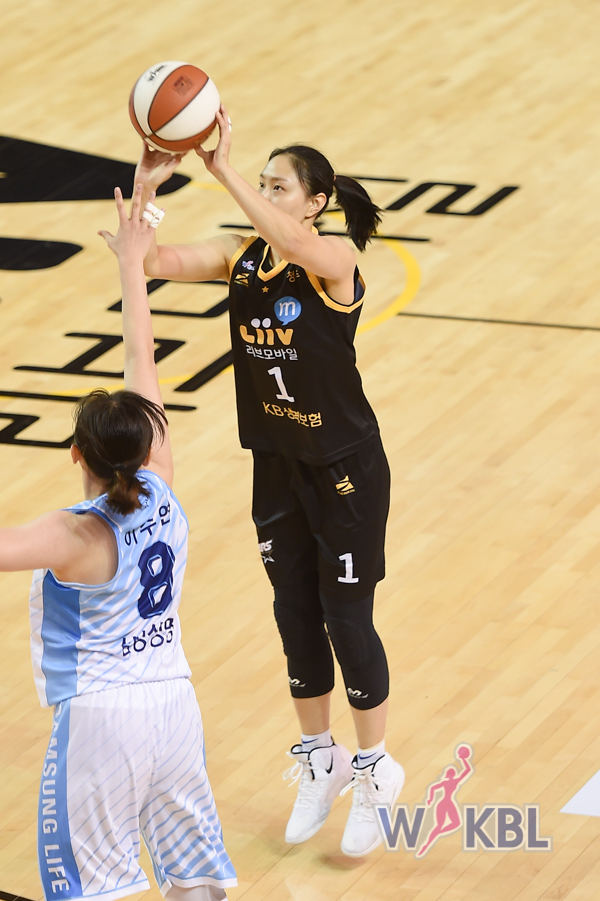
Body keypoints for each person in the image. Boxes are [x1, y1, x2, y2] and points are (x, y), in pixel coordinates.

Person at [134, 106, 404, 857]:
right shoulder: (240, 257)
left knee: (347, 618)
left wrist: (220, 167)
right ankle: (320, 757)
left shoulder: (333, 259)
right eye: (262, 182)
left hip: (345, 468)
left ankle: (376, 767)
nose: (264, 193)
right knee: (294, 613)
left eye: (276, 185)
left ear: (315, 202)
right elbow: (151, 262)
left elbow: (293, 243)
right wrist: (148, 183)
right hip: (277, 462)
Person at [0, 185, 236, 901]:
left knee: (90, 890)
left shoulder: (74, 533)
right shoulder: (160, 483)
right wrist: (133, 265)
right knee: (196, 882)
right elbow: (142, 358)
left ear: (76, 453)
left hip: (103, 717)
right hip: (174, 703)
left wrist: (134, 257)